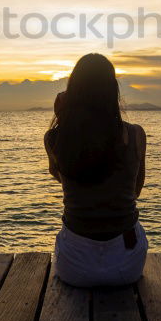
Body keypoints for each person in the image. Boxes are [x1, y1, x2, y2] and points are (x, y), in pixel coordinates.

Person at [44, 53, 148, 287]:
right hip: (127, 264)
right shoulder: (135, 135)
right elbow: (135, 192)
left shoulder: (55, 138)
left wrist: (62, 116)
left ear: (72, 91)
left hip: (74, 267)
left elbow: (62, 176)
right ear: (113, 90)